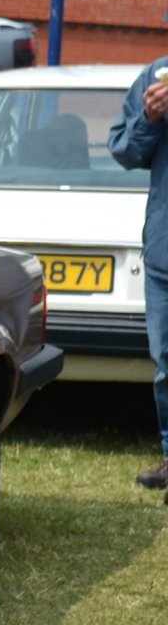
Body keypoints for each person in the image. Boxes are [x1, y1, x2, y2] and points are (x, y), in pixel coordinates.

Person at [109, 57, 168, 493]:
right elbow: (125, 151)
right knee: (166, 363)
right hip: (164, 251)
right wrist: (150, 117)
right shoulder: (156, 76)